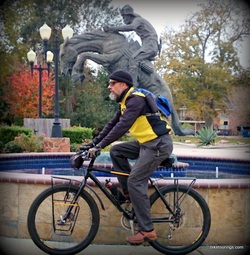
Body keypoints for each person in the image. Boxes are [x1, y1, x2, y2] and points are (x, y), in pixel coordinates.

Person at [87, 69, 173, 244]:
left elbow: (123, 126)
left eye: (112, 83)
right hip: (146, 143)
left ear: (123, 84)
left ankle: (147, 230)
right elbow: (113, 124)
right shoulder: (125, 102)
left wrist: (100, 146)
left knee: (136, 180)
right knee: (116, 151)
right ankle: (127, 193)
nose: (109, 86)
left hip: (158, 144)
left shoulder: (136, 100)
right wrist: (93, 144)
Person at [103, 4, 159, 87]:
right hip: (147, 44)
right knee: (133, 56)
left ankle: (133, 85)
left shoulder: (138, 20)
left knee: (134, 59)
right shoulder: (138, 20)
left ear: (129, 15)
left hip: (150, 44)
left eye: (124, 17)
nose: (123, 19)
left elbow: (131, 27)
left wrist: (112, 28)